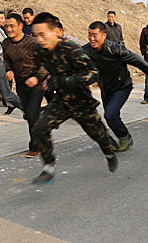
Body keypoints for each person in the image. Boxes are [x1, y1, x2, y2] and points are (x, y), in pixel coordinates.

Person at [27, 12, 118, 183]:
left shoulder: (70, 49)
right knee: (39, 127)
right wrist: (41, 79)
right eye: (35, 35)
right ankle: (49, 168)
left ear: (55, 32)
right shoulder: (40, 50)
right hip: (61, 101)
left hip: (81, 102)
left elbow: (93, 73)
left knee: (97, 134)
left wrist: (63, 80)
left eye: (43, 34)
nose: (39, 39)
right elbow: (46, 69)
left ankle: (109, 153)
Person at [82, 21, 148, 151]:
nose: (91, 39)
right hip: (106, 88)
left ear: (104, 36)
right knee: (110, 116)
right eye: (89, 35)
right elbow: (73, 63)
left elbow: (136, 59)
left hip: (122, 86)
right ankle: (124, 137)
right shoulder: (86, 51)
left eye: (95, 35)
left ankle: (125, 138)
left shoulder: (115, 49)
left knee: (110, 115)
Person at [3, 12, 47, 157]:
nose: (9, 29)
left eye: (12, 26)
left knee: (32, 114)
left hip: (36, 83)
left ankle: (35, 146)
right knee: (29, 114)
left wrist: (36, 78)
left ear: (21, 26)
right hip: (21, 84)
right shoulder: (6, 43)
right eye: (7, 26)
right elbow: (6, 59)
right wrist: (9, 70)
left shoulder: (32, 43)